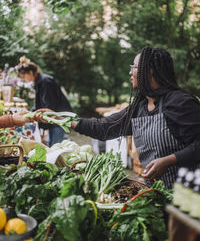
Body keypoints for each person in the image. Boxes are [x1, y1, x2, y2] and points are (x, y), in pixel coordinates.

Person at [35, 46, 200, 189]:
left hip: (188, 194)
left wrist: (169, 160)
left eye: (134, 67)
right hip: (158, 192)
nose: (130, 72)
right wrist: (61, 119)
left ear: (149, 71)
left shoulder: (181, 103)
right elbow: (104, 127)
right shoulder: (140, 107)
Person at [17, 56, 74, 147]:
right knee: (52, 145)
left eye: (24, 77)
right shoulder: (39, 81)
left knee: (55, 147)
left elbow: (48, 106)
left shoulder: (45, 81)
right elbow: (40, 104)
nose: (24, 80)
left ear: (30, 72)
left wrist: (43, 127)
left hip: (58, 118)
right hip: (54, 119)